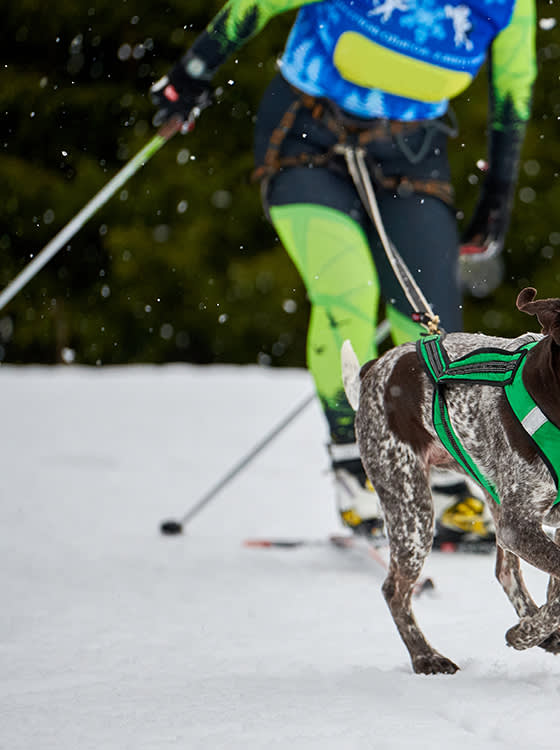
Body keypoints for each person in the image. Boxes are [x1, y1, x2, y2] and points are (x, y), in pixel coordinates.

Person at [151, 0, 536, 542]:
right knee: (348, 292)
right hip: (306, 130)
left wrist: (497, 196)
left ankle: (442, 474)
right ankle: (358, 467)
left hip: (412, 147)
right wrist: (192, 72)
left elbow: (513, 87)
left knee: (434, 321)